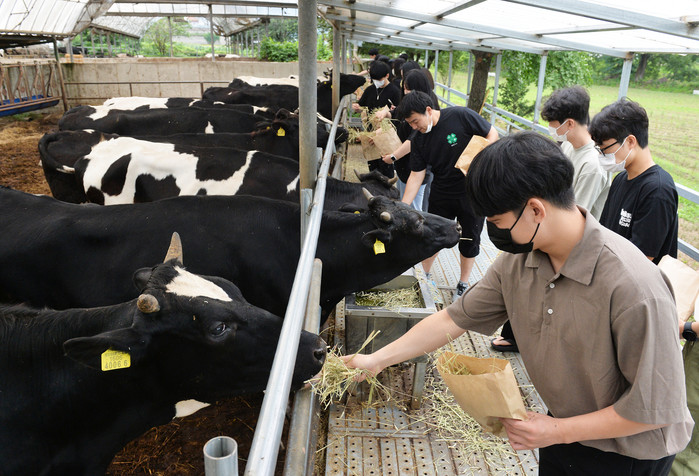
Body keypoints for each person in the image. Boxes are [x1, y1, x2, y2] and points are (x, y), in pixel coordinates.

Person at [343, 131, 693, 476]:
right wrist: (376, 360)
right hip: (561, 427)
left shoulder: (634, 288)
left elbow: (655, 409)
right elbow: (452, 320)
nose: (493, 232)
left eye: (496, 222)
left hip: (626, 451)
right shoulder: (520, 262)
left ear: (536, 209)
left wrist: (557, 431)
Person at [492, 86, 613, 353]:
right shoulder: (568, 146)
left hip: (571, 242)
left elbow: (574, 212)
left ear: (569, 123)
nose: (551, 130)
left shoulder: (591, 165)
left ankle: (530, 339)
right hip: (547, 225)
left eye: (554, 124)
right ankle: (518, 333)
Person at [397, 91, 499, 298]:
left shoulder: (460, 115)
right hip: (442, 193)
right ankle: (424, 277)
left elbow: (492, 133)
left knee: (470, 239)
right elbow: (416, 174)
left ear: (428, 110)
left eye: (415, 121)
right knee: (432, 236)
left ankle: (463, 284)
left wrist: (478, 159)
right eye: (410, 124)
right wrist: (403, 206)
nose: (414, 127)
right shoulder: (418, 140)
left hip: (472, 193)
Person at [590, 98, 678, 265]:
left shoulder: (657, 190)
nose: (601, 156)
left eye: (604, 149)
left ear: (630, 141)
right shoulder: (621, 179)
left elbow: (641, 260)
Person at [376, 69, 439, 211]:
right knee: (406, 201)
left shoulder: (425, 115)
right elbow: (397, 115)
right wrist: (386, 114)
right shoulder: (410, 106)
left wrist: (393, 156)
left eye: (409, 88)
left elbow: (413, 140)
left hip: (416, 168)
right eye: (404, 88)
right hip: (405, 166)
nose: (406, 92)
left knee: (414, 208)